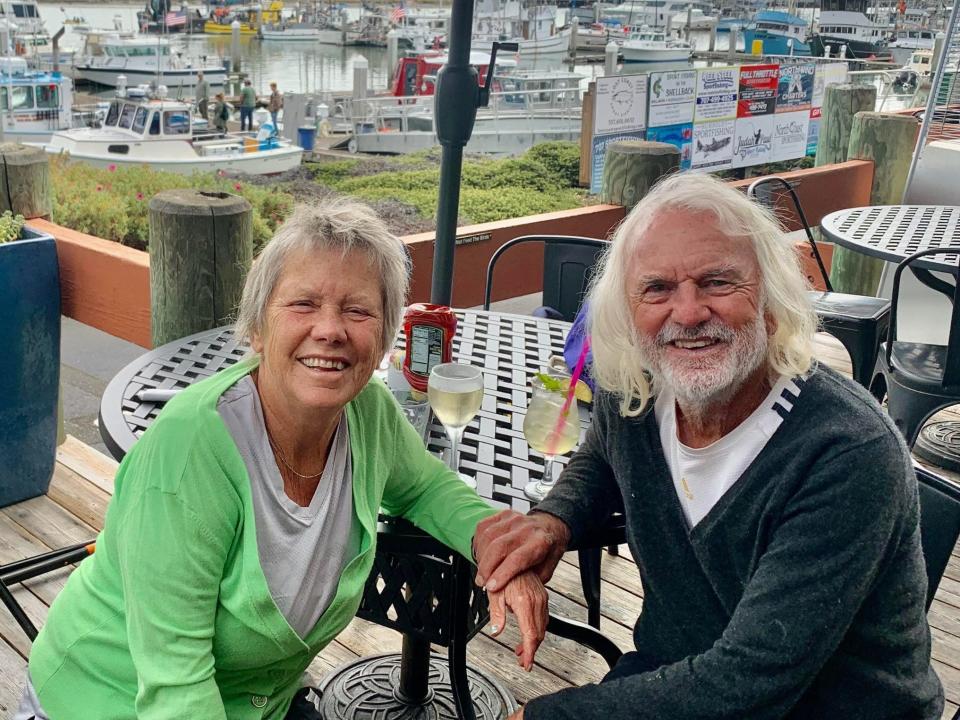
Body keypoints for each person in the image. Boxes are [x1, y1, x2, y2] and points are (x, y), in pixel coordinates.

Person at [17, 200, 547, 720]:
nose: (331, 329)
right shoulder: (191, 452)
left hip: (257, 701)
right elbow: (176, 687)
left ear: (384, 336)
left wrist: (499, 545)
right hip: (105, 699)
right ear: (258, 326)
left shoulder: (366, 412)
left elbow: (424, 488)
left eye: (358, 310)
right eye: (303, 304)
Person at [473, 172, 944, 720]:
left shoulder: (847, 451)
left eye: (718, 282)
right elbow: (603, 454)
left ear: (770, 294)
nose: (689, 313)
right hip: (672, 674)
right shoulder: (636, 388)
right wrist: (554, 520)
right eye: (658, 288)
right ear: (627, 307)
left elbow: (749, 681)